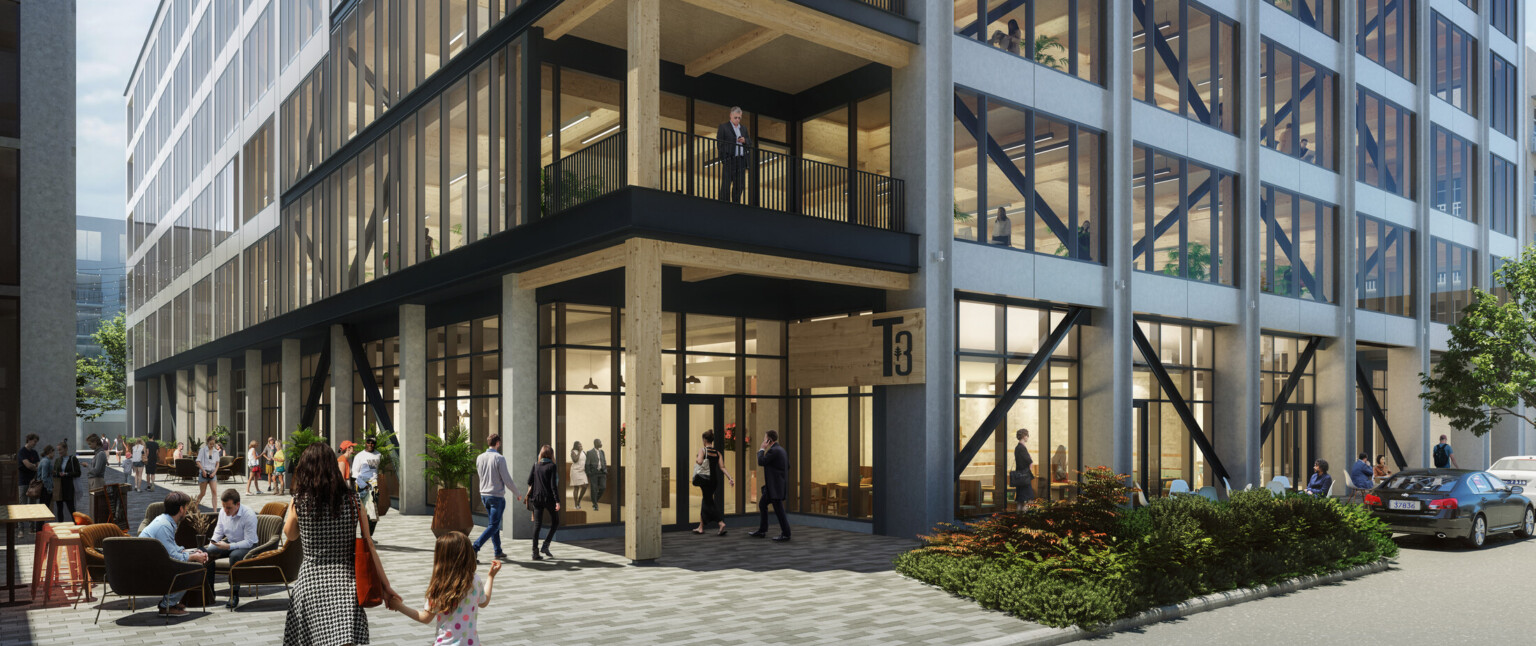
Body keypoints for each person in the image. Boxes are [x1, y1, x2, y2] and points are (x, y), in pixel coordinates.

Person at [283, 442, 395, 644]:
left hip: (311, 583)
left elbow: (290, 536)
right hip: (345, 583)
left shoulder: (299, 501)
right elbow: (369, 545)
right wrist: (385, 585)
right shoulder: (353, 500)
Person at [385, 532, 501, 646]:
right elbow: (484, 602)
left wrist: (399, 606)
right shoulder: (475, 580)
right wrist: (490, 577)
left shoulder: (440, 586)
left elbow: (425, 618)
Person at [141, 491, 209, 616]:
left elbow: (171, 549)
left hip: (152, 563)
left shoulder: (165, 521)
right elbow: (173, 557)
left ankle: (171, 602)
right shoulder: (164, 526)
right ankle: (167, 606)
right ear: (181, 509)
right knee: (194, 569)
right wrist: (194, 556)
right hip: (148, 570)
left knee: (191, 561)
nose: (187, 510)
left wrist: (191, 551)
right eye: (186, 507)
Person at [205, 488, 259, 608]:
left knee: (234, 555)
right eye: (223, 506)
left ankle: (234, 594)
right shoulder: (223, 512)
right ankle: (209, 593)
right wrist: (211, 546)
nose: (225, 510)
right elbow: (218, 532)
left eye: (228, 507)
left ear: (237, 504)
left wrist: (229, 546)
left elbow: (249, 541)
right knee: (208, 554)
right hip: (230, 542)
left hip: (248, 545)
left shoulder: (248, 515)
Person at [474, 434, 521, 560]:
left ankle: (498, 551)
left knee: (493, 523)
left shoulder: (479, 458)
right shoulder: (499, 458)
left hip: (484, 496)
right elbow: (507, 479)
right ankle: (474, 548)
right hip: (496, 496)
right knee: (494, 525)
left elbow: (480, 475)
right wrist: (517, 493)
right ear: (498, 443)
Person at [749, 429, 790, 542]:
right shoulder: (781, 450)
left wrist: (762, 448)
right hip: (774, 487)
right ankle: (762, 530)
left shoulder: (774, 451)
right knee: (762, 504)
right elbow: (788, 466)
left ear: (769, 440)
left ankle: (786, 534)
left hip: (775, 487)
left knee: (779, 511)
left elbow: (761, 461)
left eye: (764, 439)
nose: (763, 440)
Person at [693, 430, 734, 536]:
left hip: (705, 479)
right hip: (714, 481)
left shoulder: (702, 450)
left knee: (708, 502)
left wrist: (697, 457)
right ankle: (701, 527)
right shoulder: (717, 452)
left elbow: (700, 462)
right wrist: (730, 477)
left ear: (704, 440)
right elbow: (722, 467)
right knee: (706, 500)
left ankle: (720, 523)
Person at [526, 445, 561, 560]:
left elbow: (529, 481)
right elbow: (553, 486)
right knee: (555, 522)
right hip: (549, 499)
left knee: (537, 525)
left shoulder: (536, 465)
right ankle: (545, 546)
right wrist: (557, 501)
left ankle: (534, 552)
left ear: (541, 454)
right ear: (551, 454)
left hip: (537, 499)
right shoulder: (552, 466)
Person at [716, 107, 750, 204]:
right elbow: (720, 143)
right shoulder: (723, 127)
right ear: (731, 116)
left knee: (740, 184)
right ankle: (724, 203)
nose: (737, 120)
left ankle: (736, 203)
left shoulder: (743, 128)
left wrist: (744, 141)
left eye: (739, 118)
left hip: (741, 160)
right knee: (726, 183)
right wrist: (724, 158)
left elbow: (749, 141)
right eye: (736, 117)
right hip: (730, 158)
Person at [52, 440, 80, 523]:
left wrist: (66, 474)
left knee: (71, 508)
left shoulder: (73, 459)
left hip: (68, 487)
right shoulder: (57, 460)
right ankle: (60, 526)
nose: (59, 452)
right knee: (59, 509)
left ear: (66, 449)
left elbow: (78, 473)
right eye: (58, 450)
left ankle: (76, 525)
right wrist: (57, 474)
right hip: (59, 487)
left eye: (60, 450)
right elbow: (54, 472)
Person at [353, 437, 381, 509]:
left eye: (373, 443)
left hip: (374, 485)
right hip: (362, 486)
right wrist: (363, 484)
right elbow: (354, 472)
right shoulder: (359, 456)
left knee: (373, 510)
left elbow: (375, 470)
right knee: (363, 509)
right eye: (369, 442)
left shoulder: (378, 454)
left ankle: (370, 520)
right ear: (366, 443)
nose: (370, 445)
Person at [195, 438, 223, 509]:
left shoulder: (216, 452)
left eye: (213, 444)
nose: (212, 445)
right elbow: (198, 461)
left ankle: (215, 511)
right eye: (210, 444)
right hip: (203, 473)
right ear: (207, 442)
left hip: (212, 474)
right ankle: (194, 506)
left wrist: (214, 473)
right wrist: (203, 470)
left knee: (214, 492)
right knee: (202, 493)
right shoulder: (202, 450)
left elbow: (217, 464)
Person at [16, 433, 39, 515]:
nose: (35, 443)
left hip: (33, 483)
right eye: (34, 441)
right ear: (29, 440)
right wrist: (33, 465)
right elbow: (28, 465)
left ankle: (32, 527)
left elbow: (38, 465)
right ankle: (21, 527)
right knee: (23, 505)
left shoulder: (34, 452)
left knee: (33, 506)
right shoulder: (22, 452)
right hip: (23, 482)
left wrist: (33, 466)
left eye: (36, 442)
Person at [1012, 429, 1035, 508]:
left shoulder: (1017, 447)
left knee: (1020, 500)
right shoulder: (1022, 448)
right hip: (1024, 477)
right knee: (1028, 499)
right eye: (1027, 435)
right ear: (1024, 436)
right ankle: (1025, 518)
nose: (1028, 437)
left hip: (1019, 476)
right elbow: (1029, 461)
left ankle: (1019, 517)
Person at [34, 445, 54, 530]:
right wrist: (49, 489)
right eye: (53, 452)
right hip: (45, 489)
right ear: (50, 452)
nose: (54, 454)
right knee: (44, 509)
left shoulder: (44, 461)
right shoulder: (46, 461)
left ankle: (39, 528)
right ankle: (39, 529)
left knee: (43, 509)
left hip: (44, 488)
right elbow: (44, 477)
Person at [585, 439, 607, 512]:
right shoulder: (590, 452)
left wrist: (605, 470)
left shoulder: (602, 452)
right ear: (595, 443)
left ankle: (595, 500)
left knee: (603, 487)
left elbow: (604, 461)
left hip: (602, 472)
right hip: (593, 473)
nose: (601, 443)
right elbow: (587, 463)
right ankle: (595, 505)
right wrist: (589, 473)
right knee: (594, 489)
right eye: (600, 442)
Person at [569, 441, 589, 510]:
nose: (581, 446)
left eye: (581, 444)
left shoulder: (584, 452)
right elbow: (575, 460)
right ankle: (575, 504)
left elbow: (587, 460)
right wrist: (580, 452)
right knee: (576, 487)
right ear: (576, 446)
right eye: (579, 445)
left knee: (585, 485)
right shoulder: (573, 452)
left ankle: (579, 501)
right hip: (575, 471)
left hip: (582, 471)